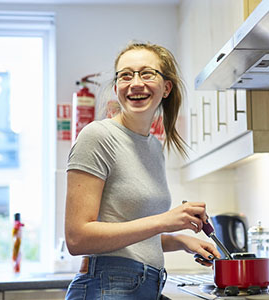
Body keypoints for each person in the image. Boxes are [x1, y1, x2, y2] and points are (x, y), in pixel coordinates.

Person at [64, 41, 220, 300]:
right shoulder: (98, 136)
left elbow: (131, 237)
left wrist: (180, 241)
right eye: (126, 75)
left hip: (145, 286)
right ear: (116, 88)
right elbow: (77, 238)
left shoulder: (154, 148)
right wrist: (165, 220)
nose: (136, 83)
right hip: (107, 288)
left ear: (166, 87)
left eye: (147, 73)